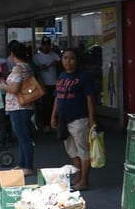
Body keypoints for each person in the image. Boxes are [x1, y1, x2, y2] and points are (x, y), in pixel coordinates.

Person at [51, 47, 96, 190]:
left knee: (83, 150)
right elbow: (57, 97)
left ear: (77, 60)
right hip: (64, 120)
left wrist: (91, 118)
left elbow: (90, 99)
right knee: (72, 151)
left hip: (79, 119)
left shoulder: (83, 77)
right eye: (65, 58)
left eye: (71, 58)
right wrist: (53, 115)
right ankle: (78, 177)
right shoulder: (62, 76)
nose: (68, 61)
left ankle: (84, 181)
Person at [0, 42, 36, 175]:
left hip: (19, 107)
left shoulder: (18, 68)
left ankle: (28, 166)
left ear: (12, 54)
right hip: (25, 106)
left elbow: (14, 88)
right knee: (22, 137)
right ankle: (22, 164)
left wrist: (3, 85)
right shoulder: (27, 66)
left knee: (24, 137)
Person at [33, 37, 61, 133]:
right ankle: (46, 124)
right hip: (43, 83)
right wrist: (40, 67)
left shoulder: (54, 55)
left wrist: (56, 64)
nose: (46, 47)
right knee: (46, 105)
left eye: (48, 45)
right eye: (44, 45)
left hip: (54, 83)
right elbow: (34, 69)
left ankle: (54, 122)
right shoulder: (37, 57)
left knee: (55, 104)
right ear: (41, 46)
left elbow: (61, 64)